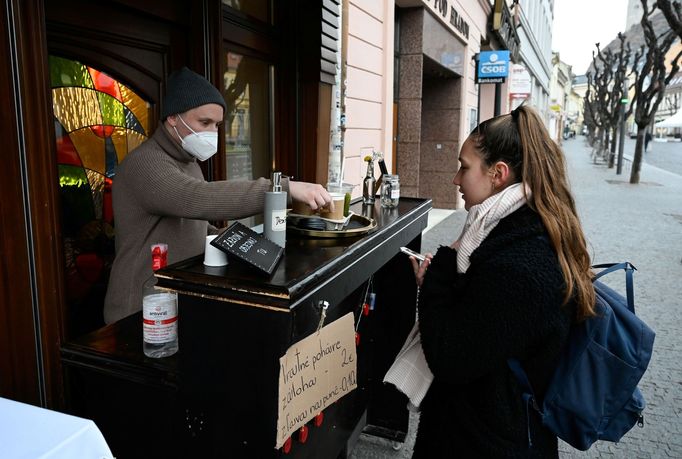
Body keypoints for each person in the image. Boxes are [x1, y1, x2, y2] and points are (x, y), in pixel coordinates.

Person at [407, 105, 596, 457]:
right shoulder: (507, 230)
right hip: (488, 431)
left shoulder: (522, 263)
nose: (455, 179)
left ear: (498, 174)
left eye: (464, 167)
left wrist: (436, 281)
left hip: (489, 443)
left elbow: (450, 357)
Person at [104, 67, 332, 324]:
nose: (212, 132)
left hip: (172, 299)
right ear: (173, 118)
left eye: (217, 125)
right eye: (204, 123)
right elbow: (195, 199)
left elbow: (191, 220)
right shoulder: (145, 164)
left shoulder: (188, 161)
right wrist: (282, 189)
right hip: (138, 308)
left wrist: (239, 241)